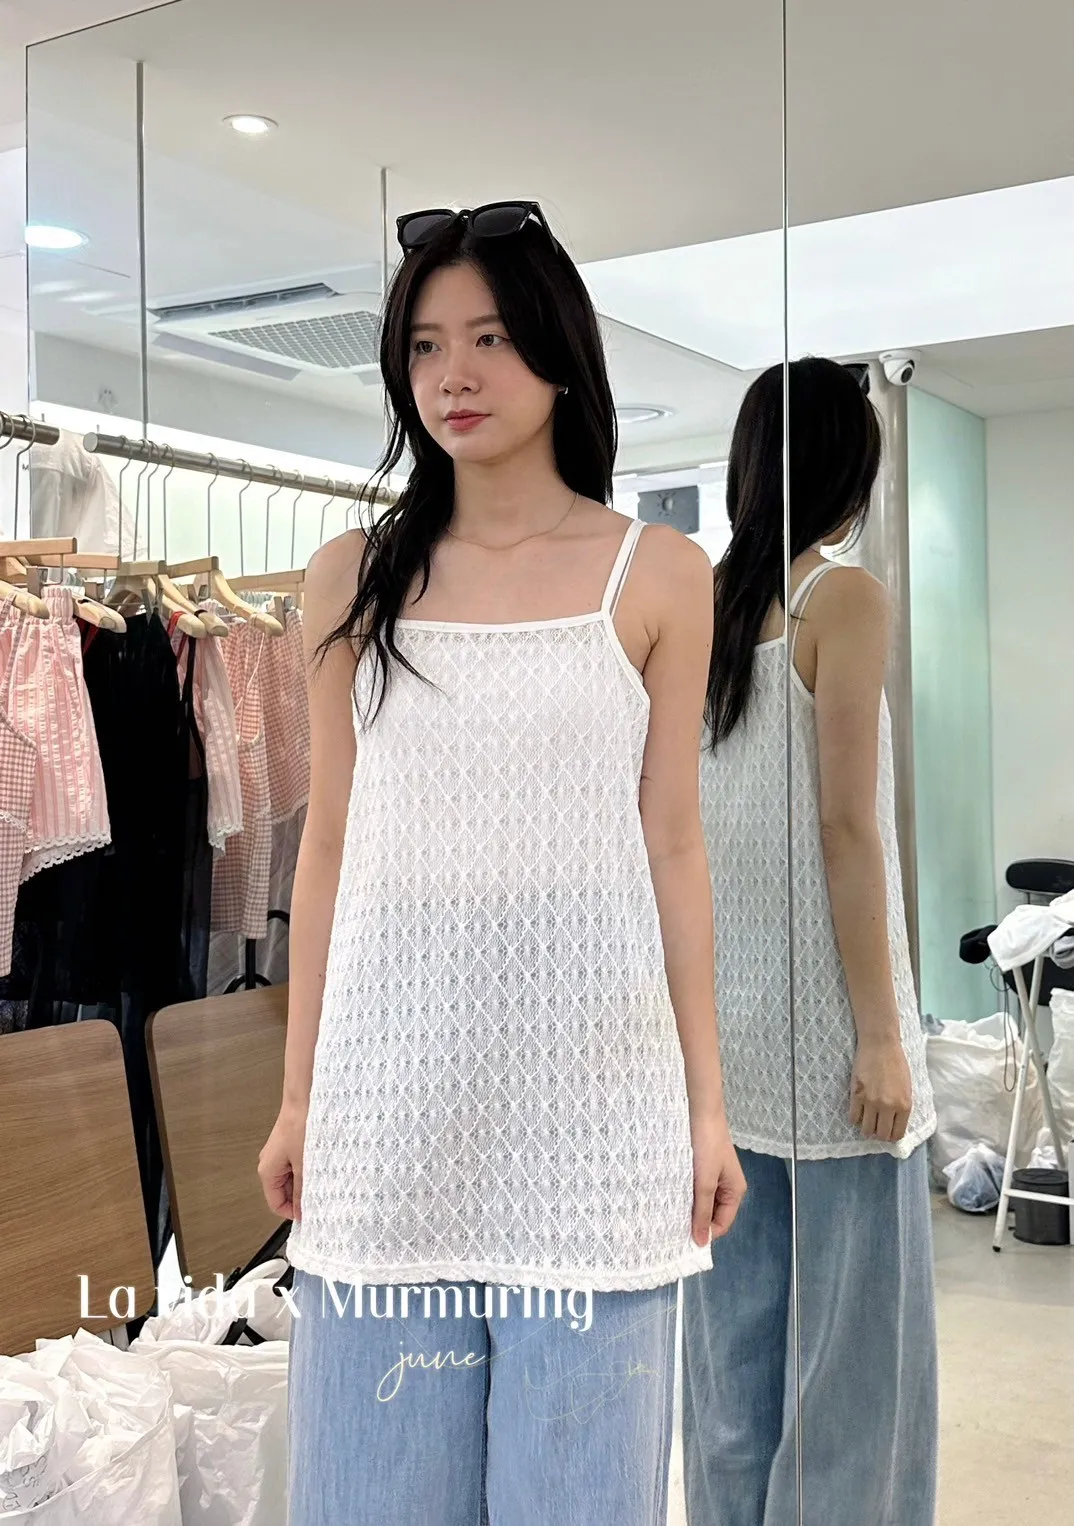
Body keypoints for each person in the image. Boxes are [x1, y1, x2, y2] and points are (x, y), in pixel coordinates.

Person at [256, 200, 745, 1526]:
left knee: (579, 1500)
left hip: (594, 1121)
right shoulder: (350, 576)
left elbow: (672, 847)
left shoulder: (658, 573)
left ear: (557, 351)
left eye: (488, 337)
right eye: (424, 346)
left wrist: (705, 1109)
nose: (453, 376)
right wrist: (299, 1097)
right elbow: (331, 846)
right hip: (389, 1110)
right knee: (372, 1496)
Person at [683, 357, 938, 1526]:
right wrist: (883, 1035)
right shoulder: (845, 596)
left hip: (728, 1045)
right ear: (849, 470)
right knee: (854, 1374)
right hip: (833, 1040)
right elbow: (847, 826)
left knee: (729, 1368)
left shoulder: (703, 605)